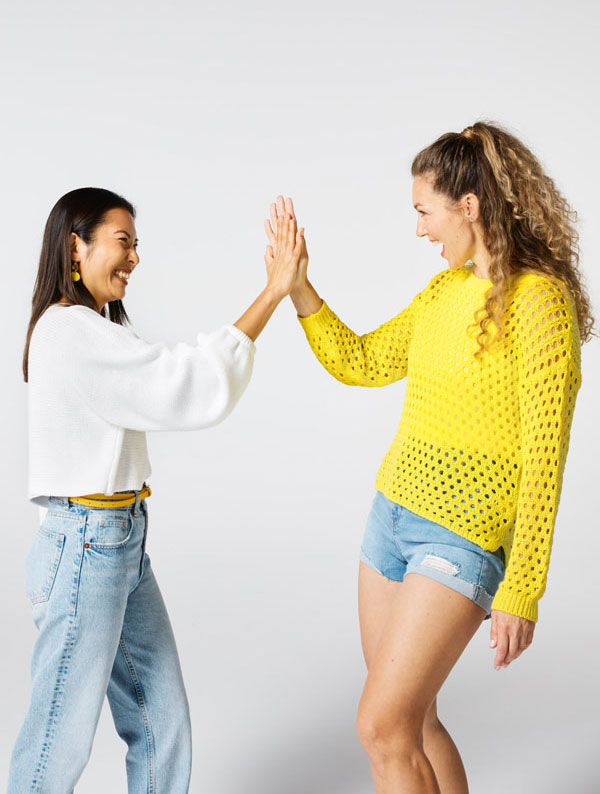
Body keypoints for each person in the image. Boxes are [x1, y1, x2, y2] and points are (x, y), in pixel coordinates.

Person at [264, 122, 595, 793]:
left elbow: (545, 459)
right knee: (411, 722)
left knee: (380, 727)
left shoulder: (542, 305)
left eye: (424, 212)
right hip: (389, 521)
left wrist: (523, 588)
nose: (419, 230)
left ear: (469, 207)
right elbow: (360, 362)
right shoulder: (443, 293)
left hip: (462, 538)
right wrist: (298, 287)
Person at [9, 187, 303, 794]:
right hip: (86, 547)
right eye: (123, 242)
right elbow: (184, 382)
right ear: (76, 246)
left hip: (119, 543)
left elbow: (174, 380)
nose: (135, 258)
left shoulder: (93, 330)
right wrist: (274, 291)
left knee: (161, 721)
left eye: (136, 245)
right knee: (56, 743)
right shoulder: (68, 331)